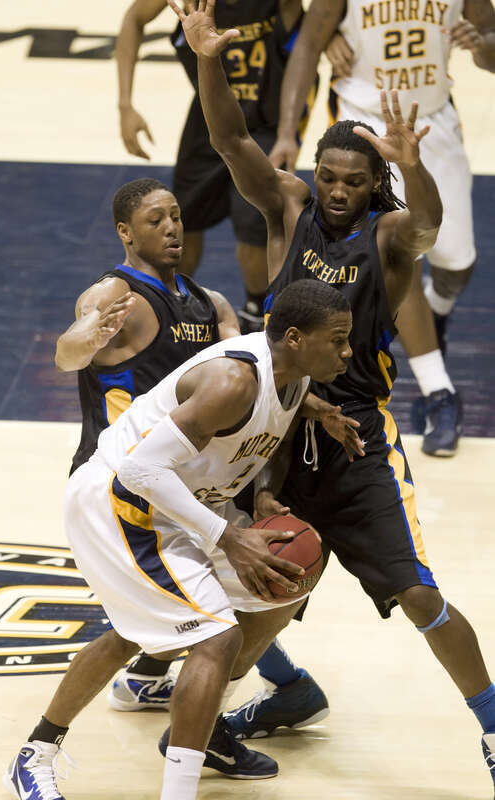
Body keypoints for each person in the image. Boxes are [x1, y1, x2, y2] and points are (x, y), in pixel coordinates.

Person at [166, 0, 495, 791]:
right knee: (247, 592)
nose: (338, 191)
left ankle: (491, 727)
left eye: (354, 181)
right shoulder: (288, 206)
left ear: (371, 183)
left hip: (354, 442)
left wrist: (410, 161)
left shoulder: (385, 238)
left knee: (416, 593)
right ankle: (226, 709)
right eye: (329, 178)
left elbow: (426, 222)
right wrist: (207, 57)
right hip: (272, 442)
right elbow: (229, 141)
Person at [3, 178, 347, 800]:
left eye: (177, 216)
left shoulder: (210, 306)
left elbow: (257, 390)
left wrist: (303, 419)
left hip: (186, 480)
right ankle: (136, 759)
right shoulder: (117, 294)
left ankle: (150, 720)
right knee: (211, 633)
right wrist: (87, 336)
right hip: (122, 483)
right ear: (125, 231)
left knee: (272, 583)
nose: (171, 226)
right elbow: (68, 352)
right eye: (155, 218)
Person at [269, 0, 495, 456]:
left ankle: (433, 314)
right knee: (389, 253)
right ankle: (438, 391)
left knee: (456, 263)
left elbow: (492, 46)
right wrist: (287, 132)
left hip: (428, 122)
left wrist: (481, 47)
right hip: (363, 123)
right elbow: (309, 42)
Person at [116, 0, 318, 332]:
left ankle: (257, 314)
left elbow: (311, 35)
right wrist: (125, 104)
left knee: (255, 222)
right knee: (181, 218)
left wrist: (288, 133)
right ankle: (171, 305)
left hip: (265, 121)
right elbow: (133, 19)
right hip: (210, 114)